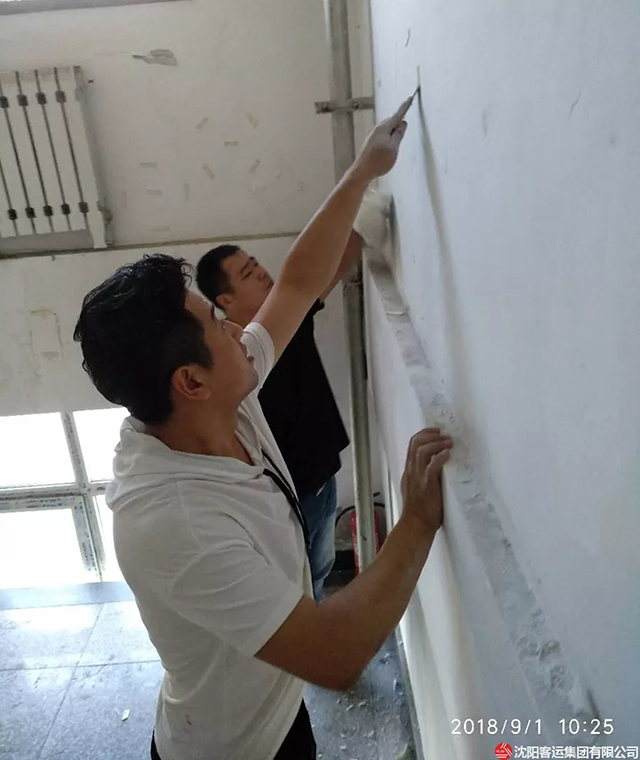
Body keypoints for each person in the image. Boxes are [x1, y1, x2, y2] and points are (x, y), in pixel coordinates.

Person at [73, 98, 453, 760]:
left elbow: (298, 285)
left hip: (275, 711)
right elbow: (336, 655)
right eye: (217, 323)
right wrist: (417, 520)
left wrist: (363, 170)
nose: (236, 327)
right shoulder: (173, 523)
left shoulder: (221, 397)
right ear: (190, 382)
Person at [194, 229, 364, 600]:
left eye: (254, 264)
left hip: (323, 480)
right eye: (247, 273)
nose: (261, 272)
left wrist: (365, 223)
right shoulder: (232, 366)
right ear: (225, 300)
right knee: (298, 585)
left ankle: (314, 614)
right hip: (288, 502)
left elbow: (332, 267)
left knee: (319, 571)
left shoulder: (290, 321)